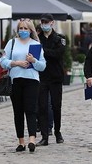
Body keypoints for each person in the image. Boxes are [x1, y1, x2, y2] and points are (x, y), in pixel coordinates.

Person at [0, 18, 46, 152]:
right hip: (16, 80)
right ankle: (21, 141)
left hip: (31, 79)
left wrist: (34, 61)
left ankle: (32, 139)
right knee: (18, 111)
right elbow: (3, 60)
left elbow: (42, 66)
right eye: (21, 28)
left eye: (26, 28)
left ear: (30, 30)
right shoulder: (12, 43)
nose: (23, 31)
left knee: (31, 110)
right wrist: (16, 63)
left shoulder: (36, 44)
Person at [36, 13, 65, 147]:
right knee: (42, 107)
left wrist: (43, 51)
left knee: (56, 105)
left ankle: (57, 132)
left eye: (46, 22)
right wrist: (45, 52)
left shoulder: (59, 38)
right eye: (43, 22)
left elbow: (58, 54)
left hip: (55, 77)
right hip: (42, 76)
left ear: (52, 23)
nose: (44, 24)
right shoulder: (37, 39)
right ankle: (44, 136)